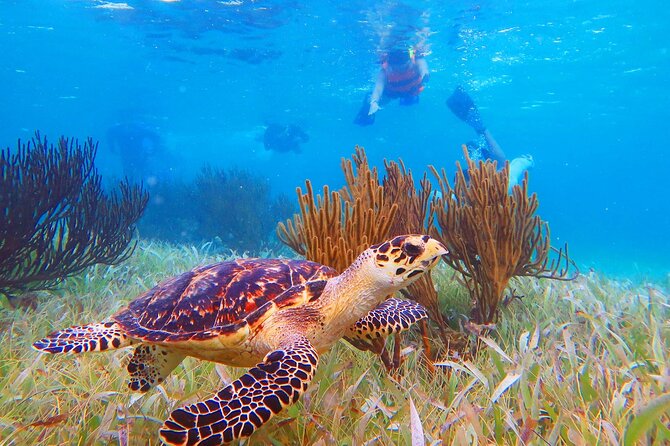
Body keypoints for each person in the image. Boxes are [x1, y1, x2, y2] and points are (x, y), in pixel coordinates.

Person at [446, 85, 534, 192]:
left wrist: (527, 161)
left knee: (506, 167)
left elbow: (514, 165)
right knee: (503, 166)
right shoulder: (457, 198)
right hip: (494, 180)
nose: (463, 194)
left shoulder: (506, 184)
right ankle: (481, 131)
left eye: (466, 188)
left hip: (495, 181)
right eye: (461, 190)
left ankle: (480, 135)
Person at [354, 46, 430, 126]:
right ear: (390, 64)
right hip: (392, 93)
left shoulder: (418, 61)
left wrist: (425, 74)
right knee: (372, 103)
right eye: (396, 67)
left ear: (410, 61)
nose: (400, 69)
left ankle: (407, 100)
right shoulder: (384, 72)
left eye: (404, 66)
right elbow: (378, 88)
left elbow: (423, 68)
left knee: (410, 99)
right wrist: (374, 102)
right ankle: (366, 113)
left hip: (411, 89)